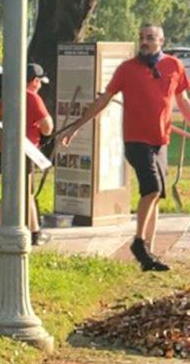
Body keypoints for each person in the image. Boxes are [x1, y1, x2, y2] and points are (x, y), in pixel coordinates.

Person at [57, 23, 190, 271]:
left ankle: (148, 254)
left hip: (160, 140)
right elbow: (103, 100)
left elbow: (182, 101)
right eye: (141, 38)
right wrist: (75, 127)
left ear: (161, 41)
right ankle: (138, 243)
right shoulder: (127, 69)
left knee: (156, 197)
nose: (145, 42)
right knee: (151, 189)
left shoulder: (174, 66)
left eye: (150, 38)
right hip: (136, 140)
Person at [0, 63, 53, 246]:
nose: (40, 86)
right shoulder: (32, 98)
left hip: (5, 149)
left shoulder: (7, 97)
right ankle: (34, 232)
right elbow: (48, 128)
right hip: (25, 150)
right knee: (25, 191)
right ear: (35, 81)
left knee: (11, 190)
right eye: (40, 82)